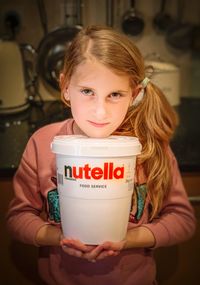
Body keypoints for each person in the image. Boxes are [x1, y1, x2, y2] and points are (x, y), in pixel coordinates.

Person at [7, 25, 196, 285]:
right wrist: (58, 238)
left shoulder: (149, 146)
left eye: (115, 95)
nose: (100, 113)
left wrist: (128, 239)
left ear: (135, 95)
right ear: (65, 87)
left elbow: (182, 219)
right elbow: (18, 217)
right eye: (87, 92)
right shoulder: (42, 144)